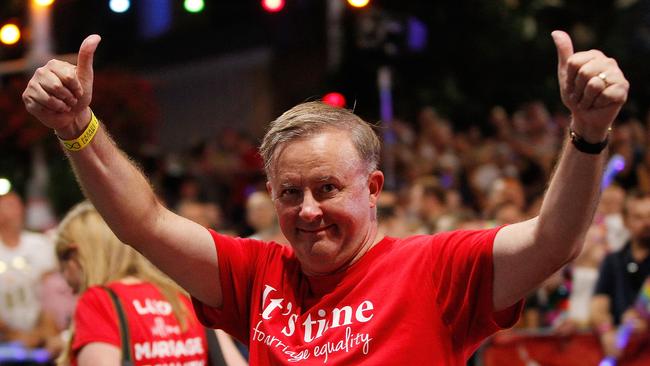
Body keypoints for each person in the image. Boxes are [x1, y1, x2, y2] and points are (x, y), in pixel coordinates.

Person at [22, 30, 628, 364]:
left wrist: (589, 134)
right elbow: (145, 223)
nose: (307, 210)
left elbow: (554, 240)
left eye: (327, 188)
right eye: (290, 192)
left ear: (373, 189)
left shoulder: (436, 268)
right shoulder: (258, 274)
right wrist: (79, 128)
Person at [54, 201, 211, 365]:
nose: (69, 288)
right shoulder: (183, 295)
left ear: (77, 255)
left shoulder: (98, 302)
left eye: (62, 264)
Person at [0, 189, 62, 355]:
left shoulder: (41, 245)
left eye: (18, 204)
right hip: (5, 342)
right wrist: (14, 335)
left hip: (46, 336)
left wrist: (44, 332)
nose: (17, 210)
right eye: (8, 205)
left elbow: (54, 293)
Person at [590, 192, 650, 361]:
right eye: (639, 217)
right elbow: (598, 305)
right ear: (625, 221)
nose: (647, 223)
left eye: (649, 216)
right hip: (623, 354)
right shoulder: (613, 260)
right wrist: (606, 331)